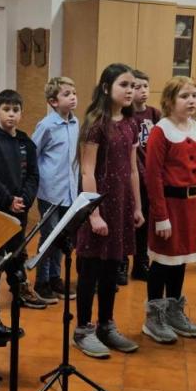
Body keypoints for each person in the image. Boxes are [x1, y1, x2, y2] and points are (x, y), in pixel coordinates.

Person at [74, 63, 145, 358]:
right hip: (100, 206)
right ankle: (83, 329)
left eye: (133, 86)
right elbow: (87, 171)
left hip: (121, 206)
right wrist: (93, 214)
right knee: (90, 270)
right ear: (106, 88)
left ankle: (106, 324)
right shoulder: (96, 123)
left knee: (112, 269)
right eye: (123, 85)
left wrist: (137, 206)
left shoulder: (131, 123)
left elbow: (133, 169)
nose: (130, 91)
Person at [141, 77, 196, 343]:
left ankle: (173, 312)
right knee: (163, 261)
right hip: (169, 207)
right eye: (184, 96)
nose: (191, 100)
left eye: (194, 96)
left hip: (192, 207)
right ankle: (153, 318)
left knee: (180, 261)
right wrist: (161, 216)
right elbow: (153, 177)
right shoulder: (161, 131)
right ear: (170, 101)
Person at [0, 89, 48, 327]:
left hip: (20, 209)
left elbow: (33, 175)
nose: (11, 114)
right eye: (6, 109)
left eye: (15, 110)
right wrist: (8, 200)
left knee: (17, 252)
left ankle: (20, 290)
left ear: (21, 113)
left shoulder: (26, 142)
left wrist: (24, 200)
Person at [32, 76, 80, 302]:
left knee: (63, 236)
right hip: (50, 191)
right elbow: (33, 153)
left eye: (74, 93)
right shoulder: (46, 125)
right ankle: (41, 281)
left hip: (69, 191)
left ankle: (55, 278)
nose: (73, 97)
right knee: (49, 235)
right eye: (67, 94)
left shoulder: (76, 123)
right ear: (53, 101)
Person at [127, 69, 160, 284]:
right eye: (137, 87)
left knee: (145, 222)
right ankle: (122, 263)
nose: (143, 91)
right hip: (132, 176)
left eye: (145, 86)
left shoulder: (154, 114)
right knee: (128, 221)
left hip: (150, 177)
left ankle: (141, 263)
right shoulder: (127, 115)